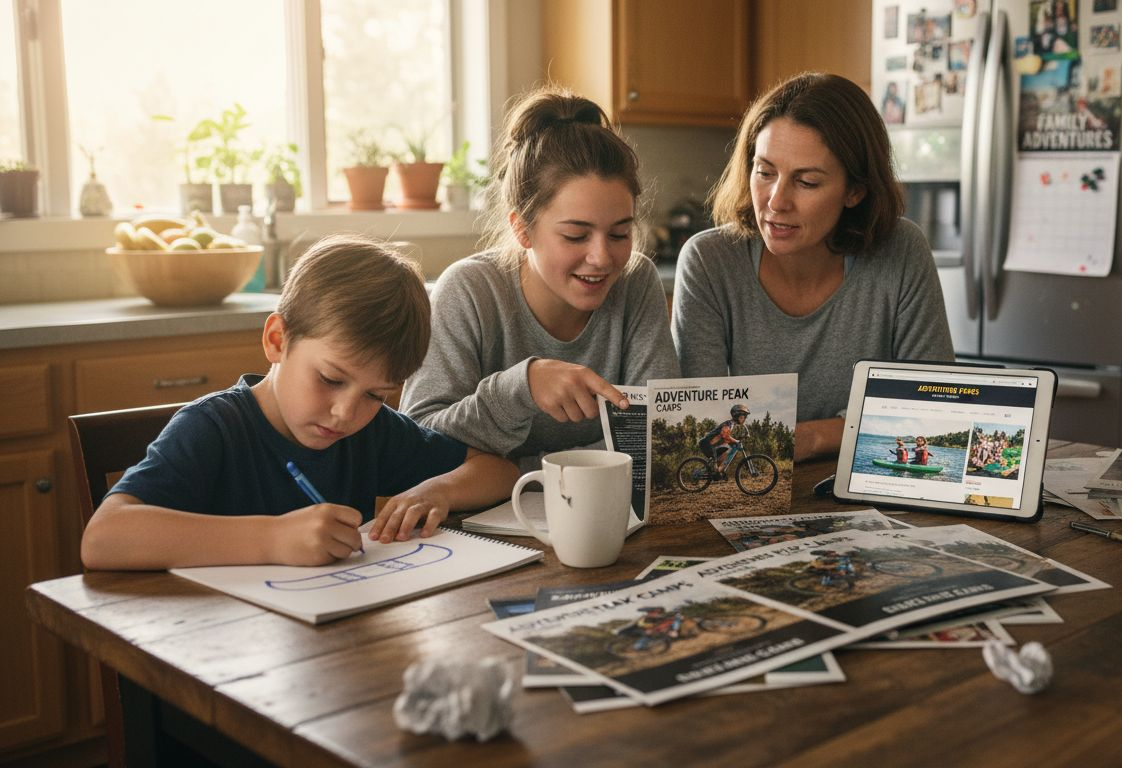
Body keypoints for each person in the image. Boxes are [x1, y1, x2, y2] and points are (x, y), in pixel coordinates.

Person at [80, 236, 520, 570]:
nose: (346, 412)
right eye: (330, 379)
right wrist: (271, 539)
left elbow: (498, 471)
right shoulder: (213, 428)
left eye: (375, 394)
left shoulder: (373, 431)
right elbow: (102, 538)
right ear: (277, 340)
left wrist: (437, 489)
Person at [673, 72, 953, 462]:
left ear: (855, 191)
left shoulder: (901, 251)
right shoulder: (709, 262)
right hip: (749, 485)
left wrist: (811, 438)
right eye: (765, 172)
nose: (775, 201)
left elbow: (929, 406)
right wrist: (849, 428)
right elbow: (701, 419)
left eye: (806, 182)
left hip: (867, 484)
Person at [399, 85, 678, 462]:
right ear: (522, 228)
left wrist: (521, 471)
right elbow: (414, 443)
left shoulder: (635, 280)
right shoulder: (469, 291)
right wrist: (521, 388)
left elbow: (657, 431)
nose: (601, 257)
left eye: (619, 233)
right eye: (575, 235)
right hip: (471, 519)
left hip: (606, 512)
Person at [699, 403, 750, 476]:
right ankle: (714, 472)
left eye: (745, 417)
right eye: (743, 417)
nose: (744, 419)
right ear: (736, 416)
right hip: (706, 443)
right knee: (716, 464)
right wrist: (736, 441)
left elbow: (726, 438)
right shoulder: (729, 424)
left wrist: (745, 434)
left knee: (726, 451)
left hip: (712, 444)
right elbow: (725, 435)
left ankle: (719, 471)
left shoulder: (732, 424)